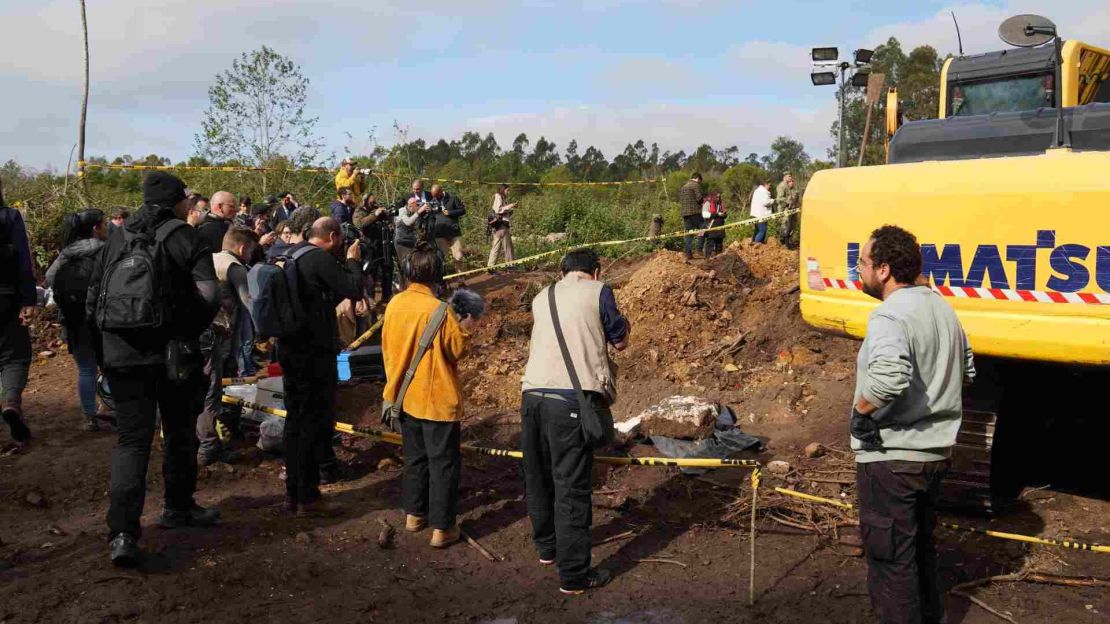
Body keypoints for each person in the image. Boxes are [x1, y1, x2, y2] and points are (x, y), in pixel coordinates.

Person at [85, 172, 221, 566]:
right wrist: (187, 332)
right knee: (179, 431)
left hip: (122, 356)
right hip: (173, 354)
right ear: (178, 203)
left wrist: (105, 354)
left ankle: (123, 534)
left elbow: (94, 303)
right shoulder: (186, 236)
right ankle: (178, 508)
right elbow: (209, 297)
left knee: (132, 441)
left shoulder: (115, 238)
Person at [851, 225, 975, 624]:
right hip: (935, 455)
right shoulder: (943, 308)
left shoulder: (889, 314)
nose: (859, 271)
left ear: (884, 270)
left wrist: (862, 412)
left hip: (893, 459)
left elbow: (889, 377)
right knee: (922, 554)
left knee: (892, 565)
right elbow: (967, 370)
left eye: (863, 263)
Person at [520, 248, 630, 595]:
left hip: (532, 396)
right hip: (569, 401)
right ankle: (574, 576)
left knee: (538, 476)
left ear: (563, 271)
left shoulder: (542, 296)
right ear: (595, 271)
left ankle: (547, 549)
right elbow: (620, 340)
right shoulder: (600, 292)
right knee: (571, 488)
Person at [382, 243, 473, 548]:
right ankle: (443, 528)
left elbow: (387, 350)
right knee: (443, 463)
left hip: (405, 397)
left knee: (415, 459)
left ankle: (414, 514)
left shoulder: (394, 304)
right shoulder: (440, 311)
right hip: (437, 399)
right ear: (438, 274)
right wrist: (466, 325)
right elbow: (456, 351)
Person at [279, 217, 363, 515]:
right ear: (331, 236)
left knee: (295, 420)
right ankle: (308, 495)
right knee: (314, 420)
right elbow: (353, 288)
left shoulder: (289, 254)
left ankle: (293, 492)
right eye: (339, 240)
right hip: (313, 352)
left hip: (289, 348)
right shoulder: (318, 259)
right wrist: (353, 261)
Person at [197, 228, 258, 466]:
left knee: (206, 387)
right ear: (243, 248)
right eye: (251, 249)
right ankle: (209, 445)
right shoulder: (235, 267)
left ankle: (218, 434)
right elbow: (248, 303)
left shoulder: (209, 260)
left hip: (199, 333)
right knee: (212, 389)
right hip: (217, 336)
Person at [45, 208, 109, 431]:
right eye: (105, 223)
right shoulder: (105, 251)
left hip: (73, 320)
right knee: (110, 366)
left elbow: (49, 278)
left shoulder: (67, 253)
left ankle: (89, 416)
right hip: (103, 319)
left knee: (86, 369)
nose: (107, 227)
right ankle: (110, 408)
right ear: (95, 228)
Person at [0, 177, 35, 447]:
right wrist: (28, 300)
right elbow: (23, 260)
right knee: (15, 356)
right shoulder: (10, 217)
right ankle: (11, 402)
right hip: (7, 298)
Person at [354, 193, 395, 302]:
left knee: (387, 269)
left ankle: (387, 296)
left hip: (382, 244)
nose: (373, 204)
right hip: (369, 246)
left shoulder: (375, 209)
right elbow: (359, 224)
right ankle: (370, 299)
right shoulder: (359, 211)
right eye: (371, 202)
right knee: (371, 273)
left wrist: (387, 214)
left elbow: (388, 220)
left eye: (374, 202)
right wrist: (374, 215)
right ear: (365, 201)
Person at [429, 184, 466, 274]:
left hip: (454, 232)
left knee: (459, 257)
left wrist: (450, 212)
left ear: (441, 191)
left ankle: (461, 283)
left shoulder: (452, 198)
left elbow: (462, 210)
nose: (436, 198)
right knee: (441, 259)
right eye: (434, 196)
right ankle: (443, 284)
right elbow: (431, 218)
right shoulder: (432, 202)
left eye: (437, 196)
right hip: (439, 234)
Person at [394, 197, 429, 268]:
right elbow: (408, 222)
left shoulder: (413, 212)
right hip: (402, 242)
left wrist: (424, 214)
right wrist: (419, 212)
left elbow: (418, 228)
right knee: (406, 264)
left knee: (414, 263)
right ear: (410, 206)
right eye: (417, 205)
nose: (418, 207)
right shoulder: (402, 210)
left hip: (410, 241)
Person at [487, 184, 516, 267]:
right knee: (508, 247)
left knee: (497, 247)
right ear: (503, 190)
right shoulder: (498, 196)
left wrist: (510, 210)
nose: (508, 192)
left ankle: (491, 266)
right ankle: (510, 266)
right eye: (507, 190)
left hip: (501, 225)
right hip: (501, 225)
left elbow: (503, 211)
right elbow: (498, 210)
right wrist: (509, 206)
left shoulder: (502, 198)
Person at [678, 173, 705, 260]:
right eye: (700, 181)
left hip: (685, 214)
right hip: (695, 212)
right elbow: (699, 198)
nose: (700, 183)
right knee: (703, 228)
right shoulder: (695, 185)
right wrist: (703, 201)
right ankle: (699, 249)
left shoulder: (683, 187)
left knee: (688, 233)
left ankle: (688, 253)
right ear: (698, 179)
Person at [776, 172, 800, 248]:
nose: (791, 178)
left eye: (791, 177)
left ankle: (789, 241)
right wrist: (788, 201)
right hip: (784, 209)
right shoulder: (782, 186)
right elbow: (779, 199)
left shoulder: (791, 187)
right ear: (785, 177)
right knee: (785, 225)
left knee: (792, 225)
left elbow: (795, 198)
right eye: (789, 176)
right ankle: (783, 241)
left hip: (793, 209)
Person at [701, 191, 726, 258]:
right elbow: (705, 215)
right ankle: (708, 259)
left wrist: (724, 215)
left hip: (720, 227)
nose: (718, 198)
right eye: (717, 197)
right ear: (713, 196)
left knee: (719, 244)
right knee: (710, 243)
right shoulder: (707, 203)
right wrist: (716, 214)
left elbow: (724, 212)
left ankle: (719, 259)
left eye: (719, 197)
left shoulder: (720, 204)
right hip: (711, 226)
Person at [749, 179, 774, 244]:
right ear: (766, 184)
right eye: (769, 185)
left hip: (754, 213)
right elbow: (765, 202)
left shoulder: (757, 191)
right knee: (762, 230)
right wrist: (772, 200)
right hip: (761, 214)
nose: (770, 187)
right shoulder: (764, 191)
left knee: (757, 229)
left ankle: (753, 242)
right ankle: (757, 243)